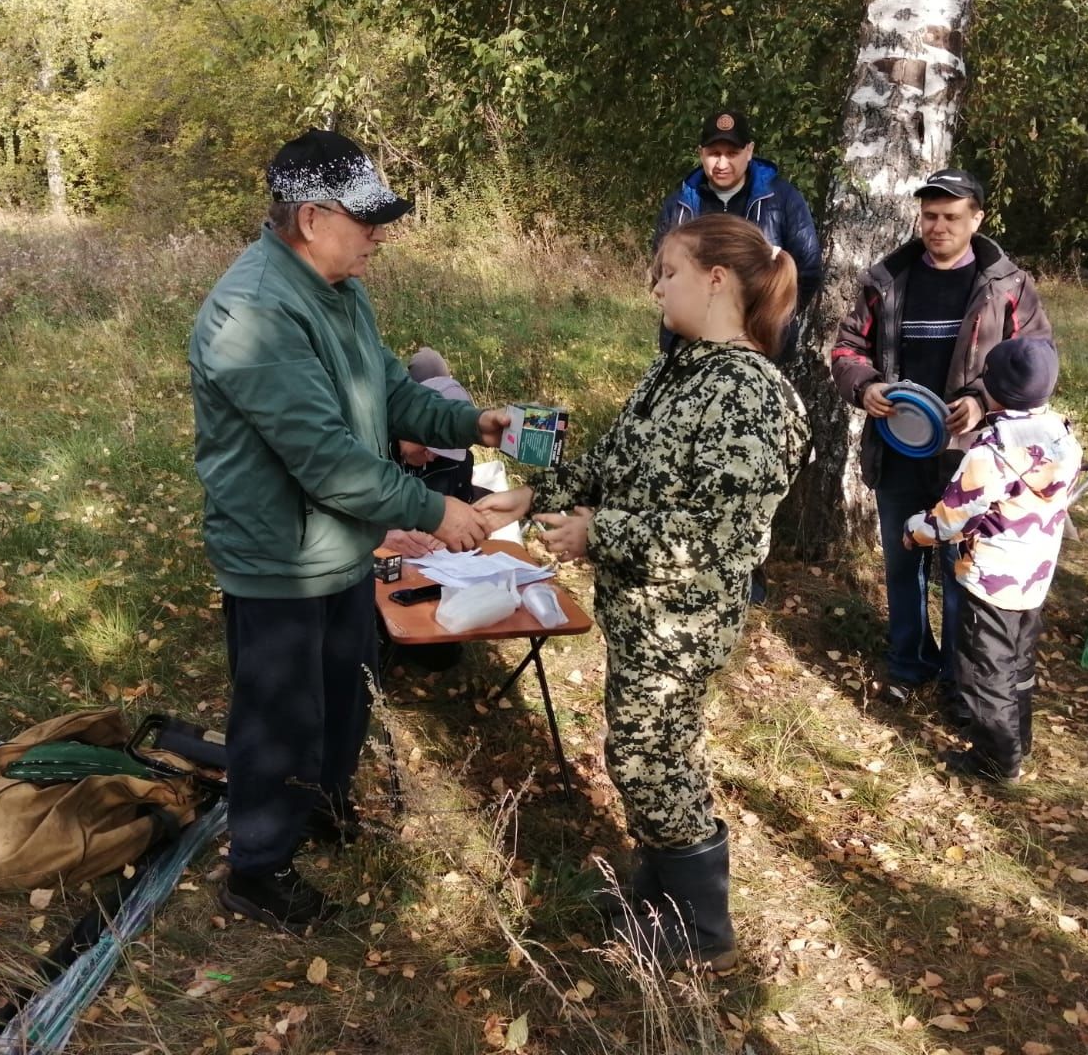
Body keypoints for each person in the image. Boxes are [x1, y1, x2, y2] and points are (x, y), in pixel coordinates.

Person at [188, 128, 511, 930]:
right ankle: (258, 869)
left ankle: (321, 807)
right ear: (308, 218)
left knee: (343, 696)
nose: (380, 234)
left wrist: (475, 422)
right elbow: (324, 457)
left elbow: (394, 395)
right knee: (278, 714)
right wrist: (436, 511)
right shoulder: (251, 311)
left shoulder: (340, 290)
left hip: (341, 547)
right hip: (279, 555)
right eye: (365, 219)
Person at [475, 213, 809, 971]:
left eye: (668, 271)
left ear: (716, 279)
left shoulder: (752, 395)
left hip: (684, 617)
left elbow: (715, 536)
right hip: (643, 610)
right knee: (647, 751)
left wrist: (600, 534)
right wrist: (530, 498)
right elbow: (614, 462)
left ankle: (702, 930)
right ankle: (656, 896)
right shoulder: (678, 369)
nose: (655, 287)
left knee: (649, 757)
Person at [831, 169, 1052, 711]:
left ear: (977, 218)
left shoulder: (1008, 286)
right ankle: (908, 664)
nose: (937, 227)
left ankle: (960, 679)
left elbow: (1038, 361)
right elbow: (845, 347)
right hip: (898, 448)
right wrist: (866, 387)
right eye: (929, 216)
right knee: (902, 566)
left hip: (972, 460)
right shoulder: (887, 280)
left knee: (961, 572)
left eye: (951, 217)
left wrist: (983, 400)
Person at [903, 338, 1082, 781]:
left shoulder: (992, 451)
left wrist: (914, 531)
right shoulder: (1063, 435)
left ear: (996, 391)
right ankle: (1018, 741)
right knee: (1019, 664)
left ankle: (996, 761)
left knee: (987, 671)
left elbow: (953, 517)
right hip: (1034, 577)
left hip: (991, 581)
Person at [653, 108, 823, 369]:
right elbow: (660, 270)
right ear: (701, 152)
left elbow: (807, 270)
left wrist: (765, 316)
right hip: (688, 347)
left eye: (732, 154)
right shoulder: (680, 204)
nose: (722, 164)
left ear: (749, 151)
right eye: (714, 154)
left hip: (761, 345)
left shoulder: (783, 199)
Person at [380, 347, 479, 559]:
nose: (432, 456)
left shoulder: (458, 464)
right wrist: (380, 537)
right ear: (409, 422)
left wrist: (450, 531)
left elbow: (465, 517)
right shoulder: (372, 447)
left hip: (434, 567)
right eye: (428, 446)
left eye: (442, 453)